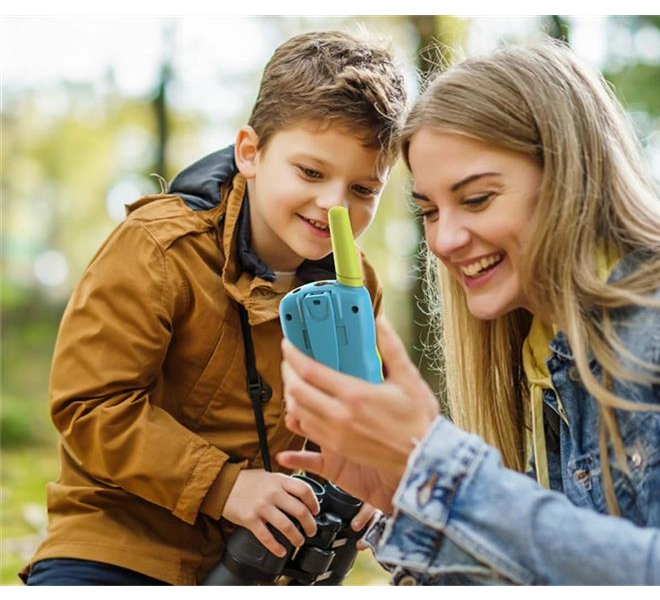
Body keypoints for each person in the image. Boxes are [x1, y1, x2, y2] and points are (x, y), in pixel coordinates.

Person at [277, 38, 660, 585]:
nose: (445, 239)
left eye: (477, 198)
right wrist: (405, 500)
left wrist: (444, 473)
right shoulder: (538, 359)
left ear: (571, 178)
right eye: (430, 211)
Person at [22, 30, 407, 586]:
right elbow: (90, 406)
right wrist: (225, 487)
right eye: (311, 173)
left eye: (364, 190)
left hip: (260, 568)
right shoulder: (157, 247)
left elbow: (350, 419)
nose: (334, 206)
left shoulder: (357, 288)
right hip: (120, 548)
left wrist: (364, 476)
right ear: (250, 152)